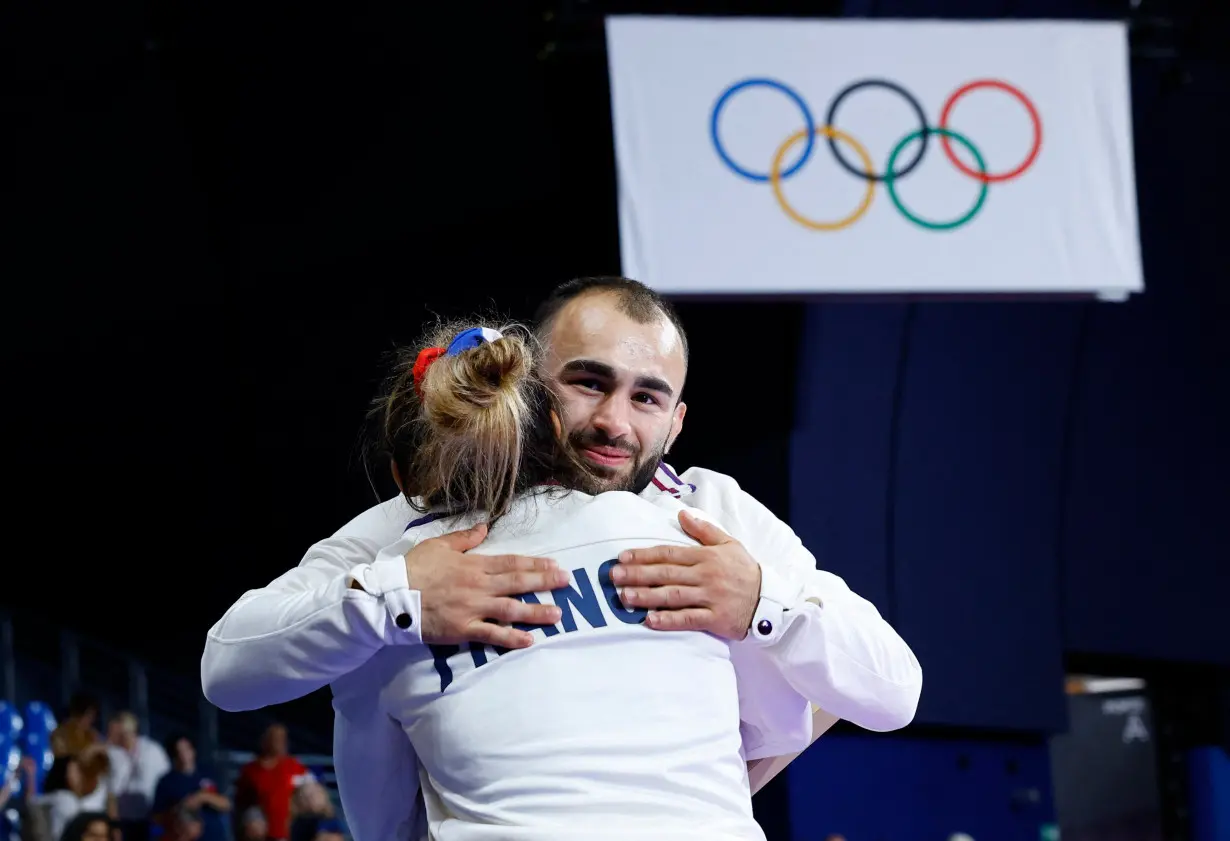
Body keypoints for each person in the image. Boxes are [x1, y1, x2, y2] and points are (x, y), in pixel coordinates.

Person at [203, 303, 921, 839]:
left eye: (646, 396)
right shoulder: (409, 534)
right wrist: (399, 599)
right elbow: (228, 666)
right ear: (529, 392)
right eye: (588, 383)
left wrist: (765, 605)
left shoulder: (713, 513)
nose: (613, 420)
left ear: (675, 422)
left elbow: (891, 687)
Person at [232, 725, 312, 841]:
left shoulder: (294, 766)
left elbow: (315, 794)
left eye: (282, 739)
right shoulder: (250, 771)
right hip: (260, 835)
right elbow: (240, 805)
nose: (280, 743)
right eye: (275, 738)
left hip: (290, 834)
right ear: (265, 740)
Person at [104, 711, 171, 841]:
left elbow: (165, 782)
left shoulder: (152, 750)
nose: (110, 735)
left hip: (151, 820)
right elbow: (110, 791)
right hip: (123, 821)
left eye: (114, 731)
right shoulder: (112, 753)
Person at [153, 733, 230, 841]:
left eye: (186, 749)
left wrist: (202, 797)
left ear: (193, 750)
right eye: (178, 751)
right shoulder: (166, 781)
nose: (183, 755)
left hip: (213, 836)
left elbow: (226, 804)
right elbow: (157, 817)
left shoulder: (209, 773)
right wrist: (178, 810)